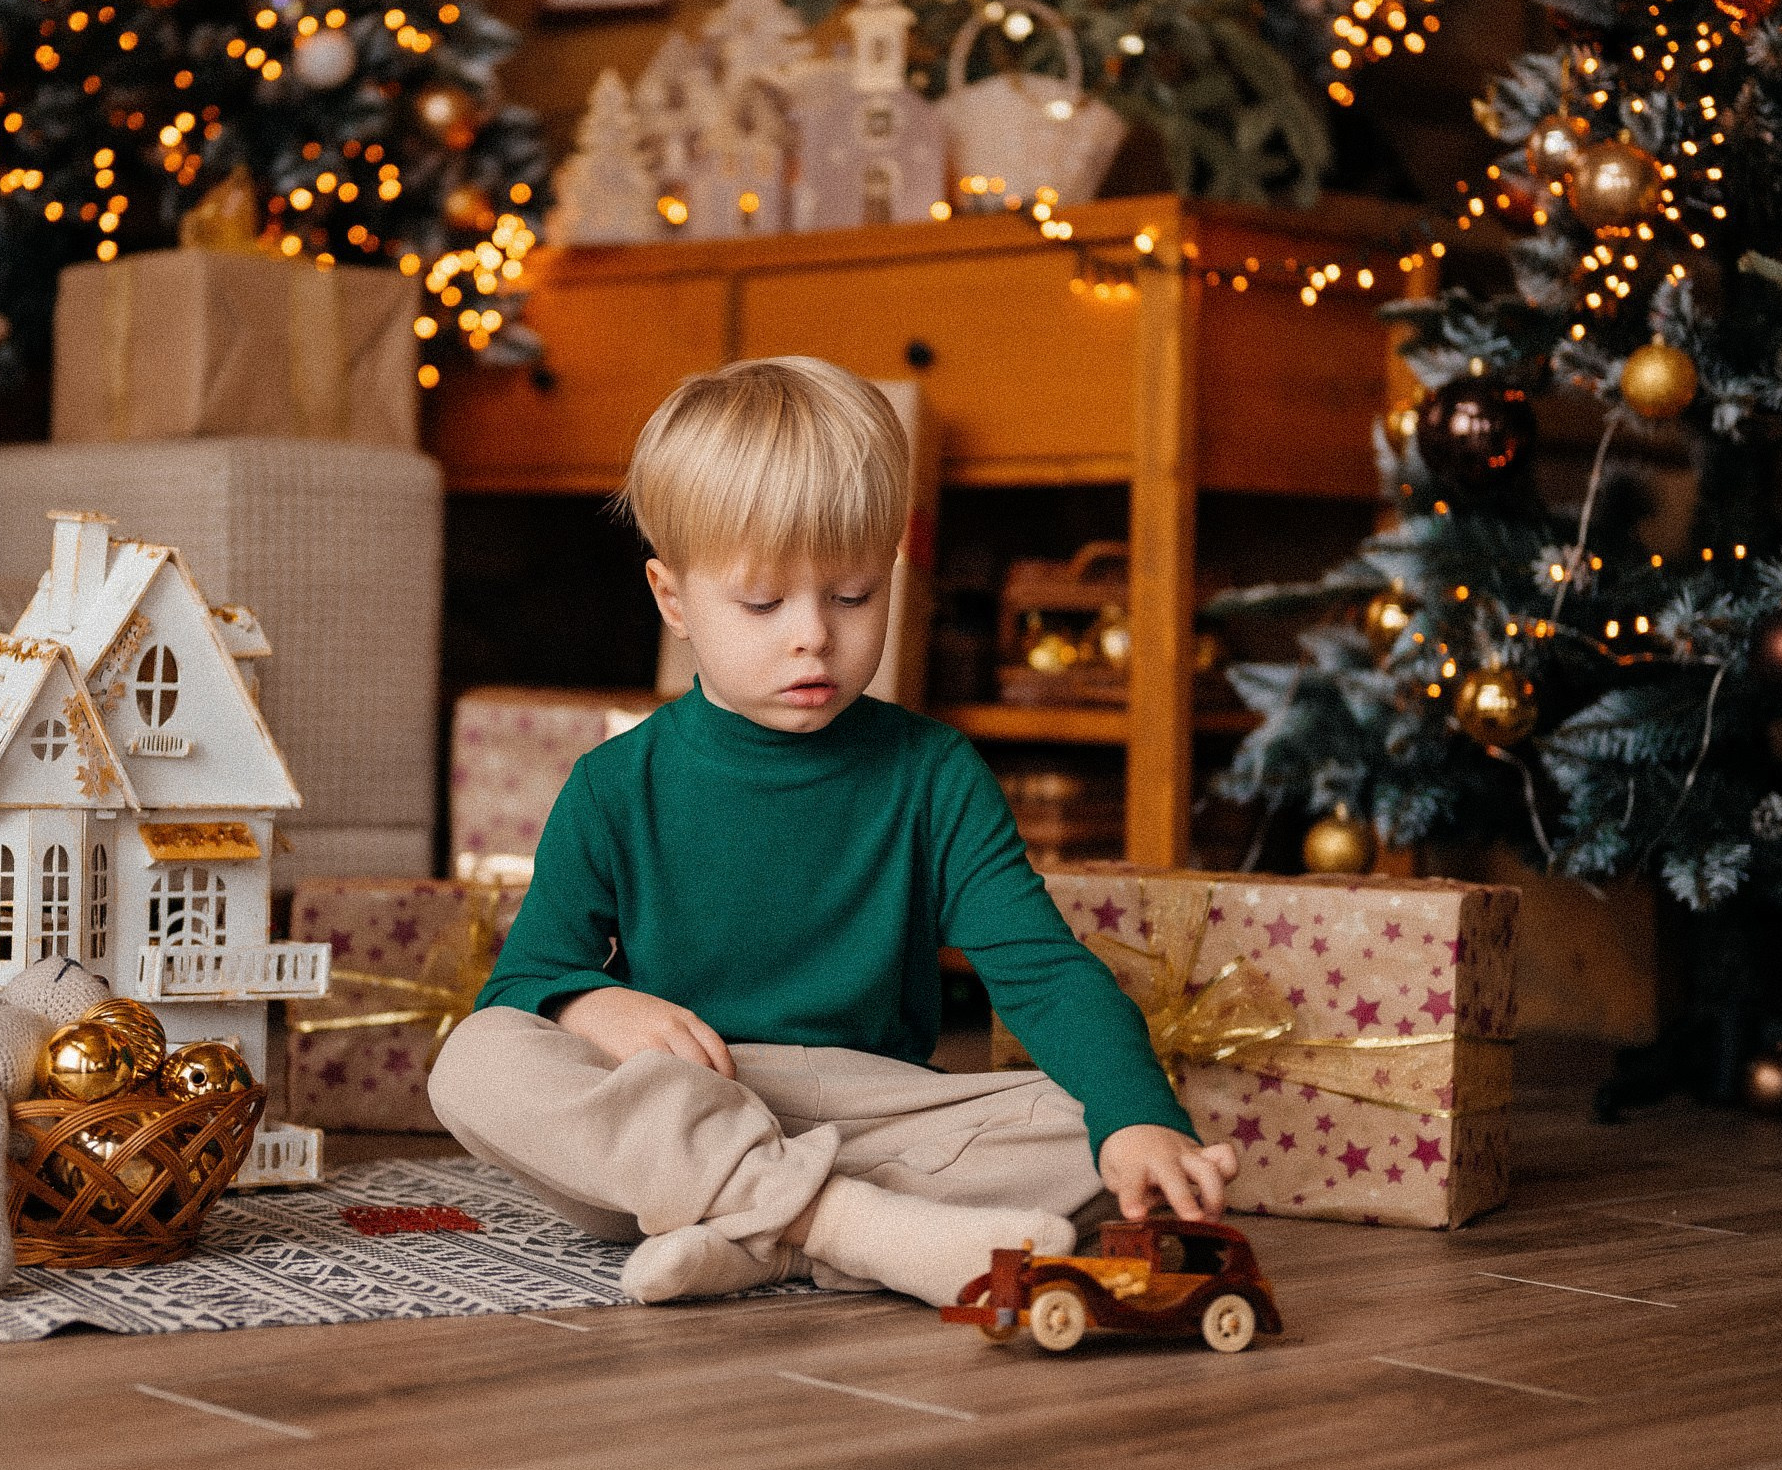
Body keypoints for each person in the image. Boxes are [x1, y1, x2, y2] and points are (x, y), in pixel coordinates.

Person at [427, 356, 1238, 1307]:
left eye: (853, 595)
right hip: (682, 1112)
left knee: (1086, 1132)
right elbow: (522, 983)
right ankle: (843, 1228)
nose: (813, 634)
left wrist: (1139, 1119)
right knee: (477, 1060)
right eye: (764, 604)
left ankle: (767, 1235)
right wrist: (591, 1007)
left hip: (870, 1107)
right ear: (674, 599)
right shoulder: (615, 785)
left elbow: (1045, 973)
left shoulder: (934, 774)